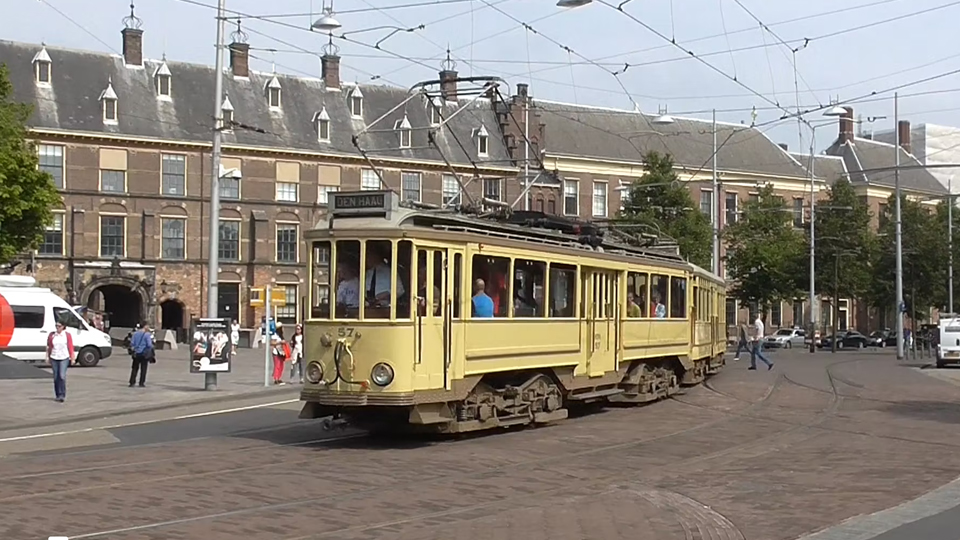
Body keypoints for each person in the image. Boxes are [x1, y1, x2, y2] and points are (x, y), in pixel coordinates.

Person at [45, 320, 74, 402]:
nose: (57, 328)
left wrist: (72, 357)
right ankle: (58, 394)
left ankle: (62, 394)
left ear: (63, 327)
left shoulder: (67, 335)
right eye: (56, 326)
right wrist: (47, 356)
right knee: (56, 377)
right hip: (54, 357)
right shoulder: (52, 335)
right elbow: (48, 346)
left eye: (59, 326)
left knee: (62, 376)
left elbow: (70, 346)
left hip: (64, 357)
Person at [129, 322, 155, 387]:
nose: (148, 328)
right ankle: (141, 382)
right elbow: (149, 345)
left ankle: (132, 382)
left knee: (134, 368)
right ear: (145, 326)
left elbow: (132, 343)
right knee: (143, 368)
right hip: (144, 353)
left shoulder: (135, 334)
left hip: (136, 353)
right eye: (148, 326)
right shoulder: (147, 335)